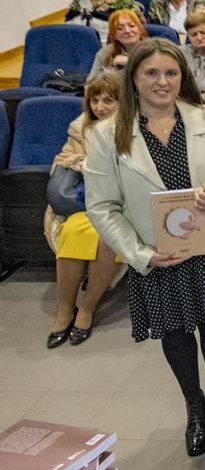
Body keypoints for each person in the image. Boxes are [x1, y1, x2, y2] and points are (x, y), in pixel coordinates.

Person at [85, 38, 205, 456]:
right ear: (134, 79)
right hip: (157, 256)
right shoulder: (107, 134)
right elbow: (102, 207)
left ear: (183, 77)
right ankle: (195, 406)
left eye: (171, 73)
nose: (163, 81)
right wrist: (141, 255)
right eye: (152, 73)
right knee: (175, 334)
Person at [44, 70, 124, 349]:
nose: (100, 107)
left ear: (122, 102)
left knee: (109, 238)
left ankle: (87, 308)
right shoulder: (80, 127)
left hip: (120, 205)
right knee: (73, 232)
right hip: (84, 201)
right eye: (95, 100)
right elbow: (62, 161)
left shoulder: (136, 128)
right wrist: (87, 164)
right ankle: (65, 309)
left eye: (108, 101)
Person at [89, 10, 147, 77]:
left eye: (131, 26)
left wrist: (128, 62)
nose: (127, 31)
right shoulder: (106, 52)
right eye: (120, 28)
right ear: (115, 36)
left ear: (140, 30)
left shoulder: (152, 50)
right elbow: (91, 81)